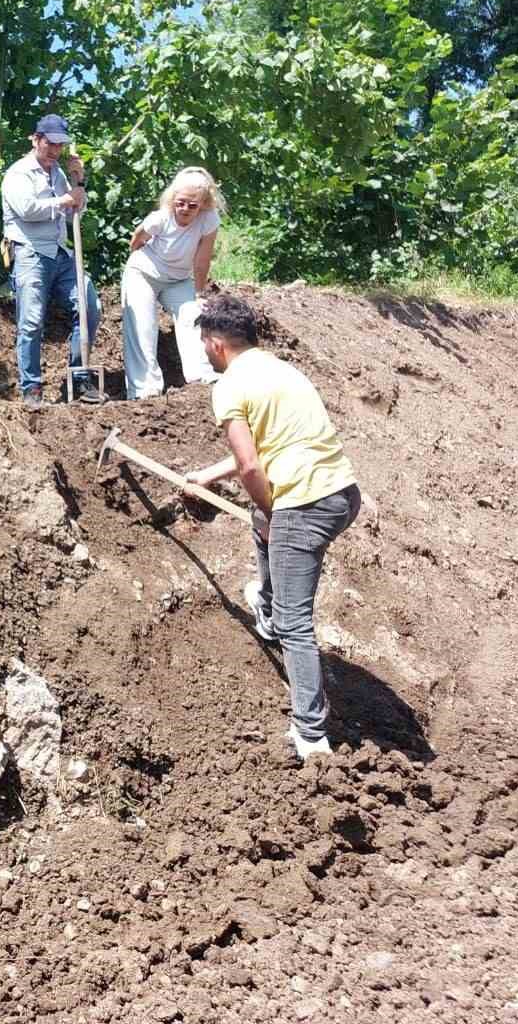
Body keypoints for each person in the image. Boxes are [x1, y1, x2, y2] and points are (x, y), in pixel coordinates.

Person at [183, 295, 362, 761]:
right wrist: (207, 476)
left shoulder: (228, 387)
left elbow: (249, 466)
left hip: (304, 506)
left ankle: (311, 734)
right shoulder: (282, 371)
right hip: (343, 495)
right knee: (264, 524)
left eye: (204, 343)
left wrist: (273, 509)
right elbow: (270, 448)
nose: (204, 351)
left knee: (295, 623)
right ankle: (265, 607)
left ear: (216, 344)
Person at [0, 113, 103, 409]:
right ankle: (31, 388)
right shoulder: (18, 173)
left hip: (60, 252)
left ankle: (80, 376)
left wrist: (79, 181)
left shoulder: (59, 174)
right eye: (51, 144)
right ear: (36, 139)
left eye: (60, 145)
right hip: (29, 252)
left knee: (88, 307)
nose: (55, 151)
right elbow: (28, 209)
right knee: (31, 321)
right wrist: (65, 200)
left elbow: (75, 212)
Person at [121, 166, 226, 400]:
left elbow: (202, 259)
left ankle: (200, 376)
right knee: (142, 326)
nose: (185, 209)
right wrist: (138, 265)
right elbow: (136, 241)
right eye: (181, 202)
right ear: (173, 198)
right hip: (143, 273)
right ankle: (144, 389)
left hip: (178, 279)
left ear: (204, 203)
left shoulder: (209, 220)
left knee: (193, 315)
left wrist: (198, 293)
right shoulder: (161, 217)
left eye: (193, 205)